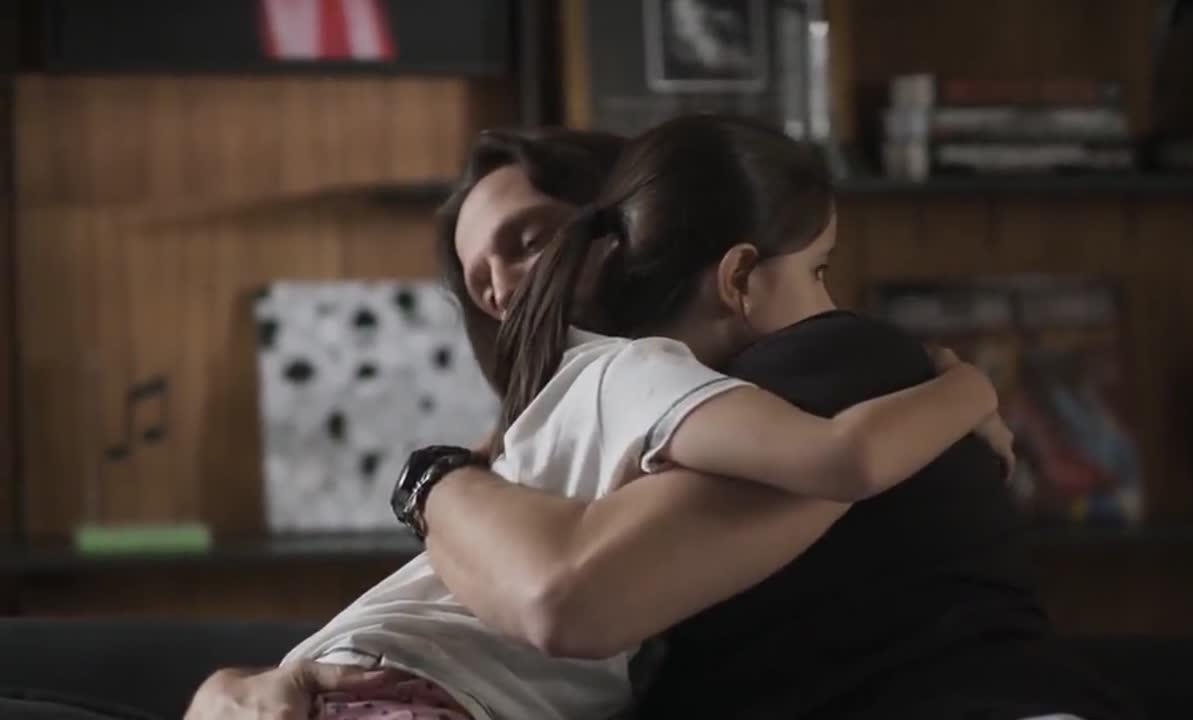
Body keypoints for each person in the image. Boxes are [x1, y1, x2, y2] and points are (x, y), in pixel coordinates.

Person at [186, 122, 1131, 719]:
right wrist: (226, 691)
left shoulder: (814, 363)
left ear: (625, 225)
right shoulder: (565, 437)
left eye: (525, 241)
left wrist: (432, 483)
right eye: (477, 281)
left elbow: (562, 598)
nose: (502, 289)